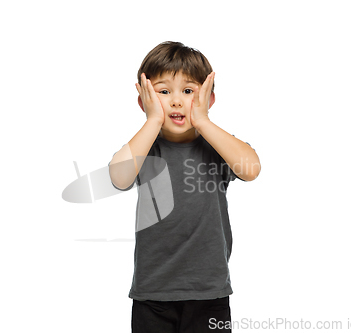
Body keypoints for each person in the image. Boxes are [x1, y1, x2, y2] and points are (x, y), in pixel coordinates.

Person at [108, 41, 261, 333]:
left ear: (208, 98)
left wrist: (202, 121)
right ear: (144, 100)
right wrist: (153, 119)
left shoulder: (217, 146)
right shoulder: (145, 148)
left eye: (188, 91)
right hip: (153, 294)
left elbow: (251, 169)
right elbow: (119, 177)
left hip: (209, 292)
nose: (176, 101)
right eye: (163, 92)